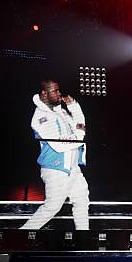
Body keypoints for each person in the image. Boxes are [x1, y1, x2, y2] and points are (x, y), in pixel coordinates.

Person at [19, 80, 90, 231]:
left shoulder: (60, 111)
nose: (59, 94)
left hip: (72, 167)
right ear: (44, 93)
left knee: (82, 200)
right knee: (52, 207)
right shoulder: (40, 118)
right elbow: (59, 144)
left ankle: (84, 239)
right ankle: (18, 238)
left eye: (59, 90)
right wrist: (79, 134)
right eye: (55, 91)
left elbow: (80, 125)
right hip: (56, 169)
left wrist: (74, 107)